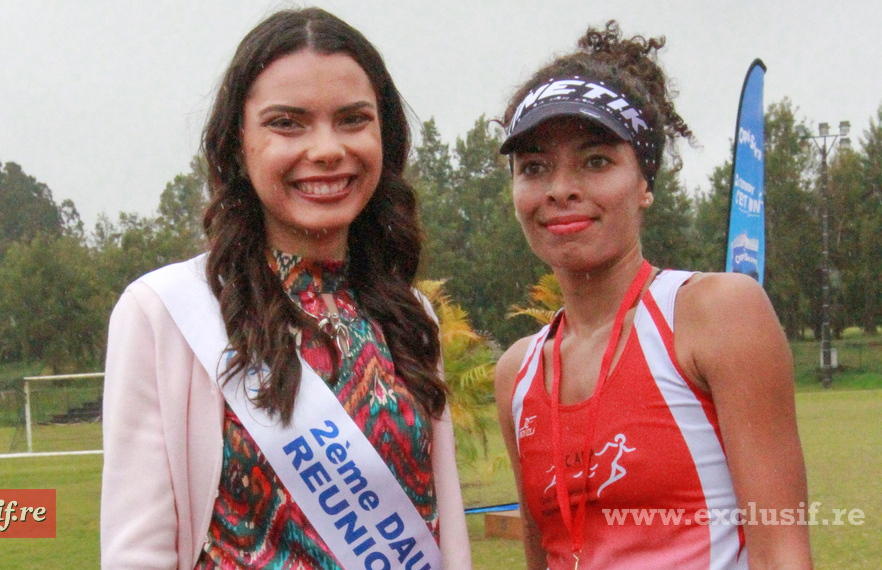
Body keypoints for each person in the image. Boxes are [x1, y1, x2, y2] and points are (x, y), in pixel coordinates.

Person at [100, 7, 471, 570]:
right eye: (287, 123)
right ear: (237, 143)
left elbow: (444, 532)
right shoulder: (167, 314)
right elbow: (138, 551)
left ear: (384, 136)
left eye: (352, 120)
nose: (326, 149)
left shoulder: (408, 314)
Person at [494, 21, 812, 570]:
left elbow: (782, 550)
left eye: (595, 161)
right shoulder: (516, 373)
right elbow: (543, 553)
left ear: (645, 183)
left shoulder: (713, 314)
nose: (560, 188)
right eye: (534, 167)